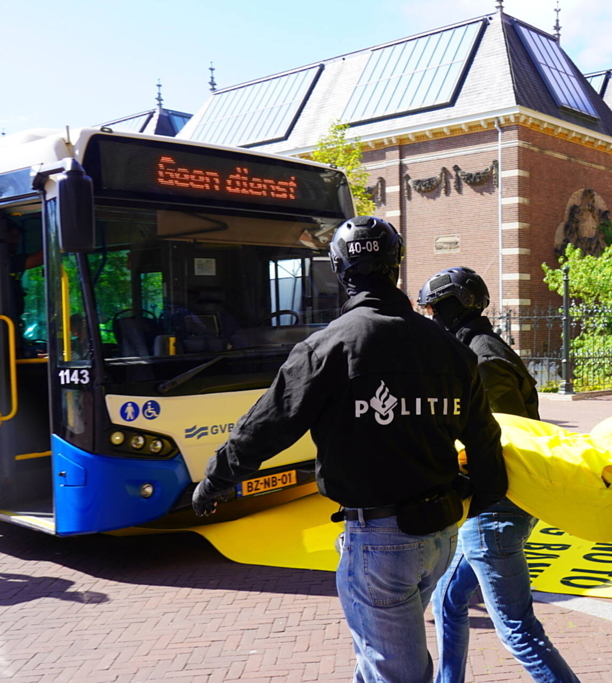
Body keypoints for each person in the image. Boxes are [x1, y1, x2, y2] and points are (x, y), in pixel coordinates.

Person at [193, 216, 507, 683]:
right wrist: (476, 501)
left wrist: (216, 480)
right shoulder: (449, 347)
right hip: (439, 535)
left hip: (380, 541)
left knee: (395, 672)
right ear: (396, 268)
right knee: (376, 658)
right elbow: (485, 440)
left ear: (340, 271)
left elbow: (266, 426)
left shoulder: (329, 346)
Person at [418, 267, 580, 683]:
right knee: (448, 600)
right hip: (489, 509)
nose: (432, 318)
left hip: (496, 510)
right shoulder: (475, 347)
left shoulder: (482, 358)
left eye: (436, 309)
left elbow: (498, 437)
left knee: (517, 629)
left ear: (455, 307)